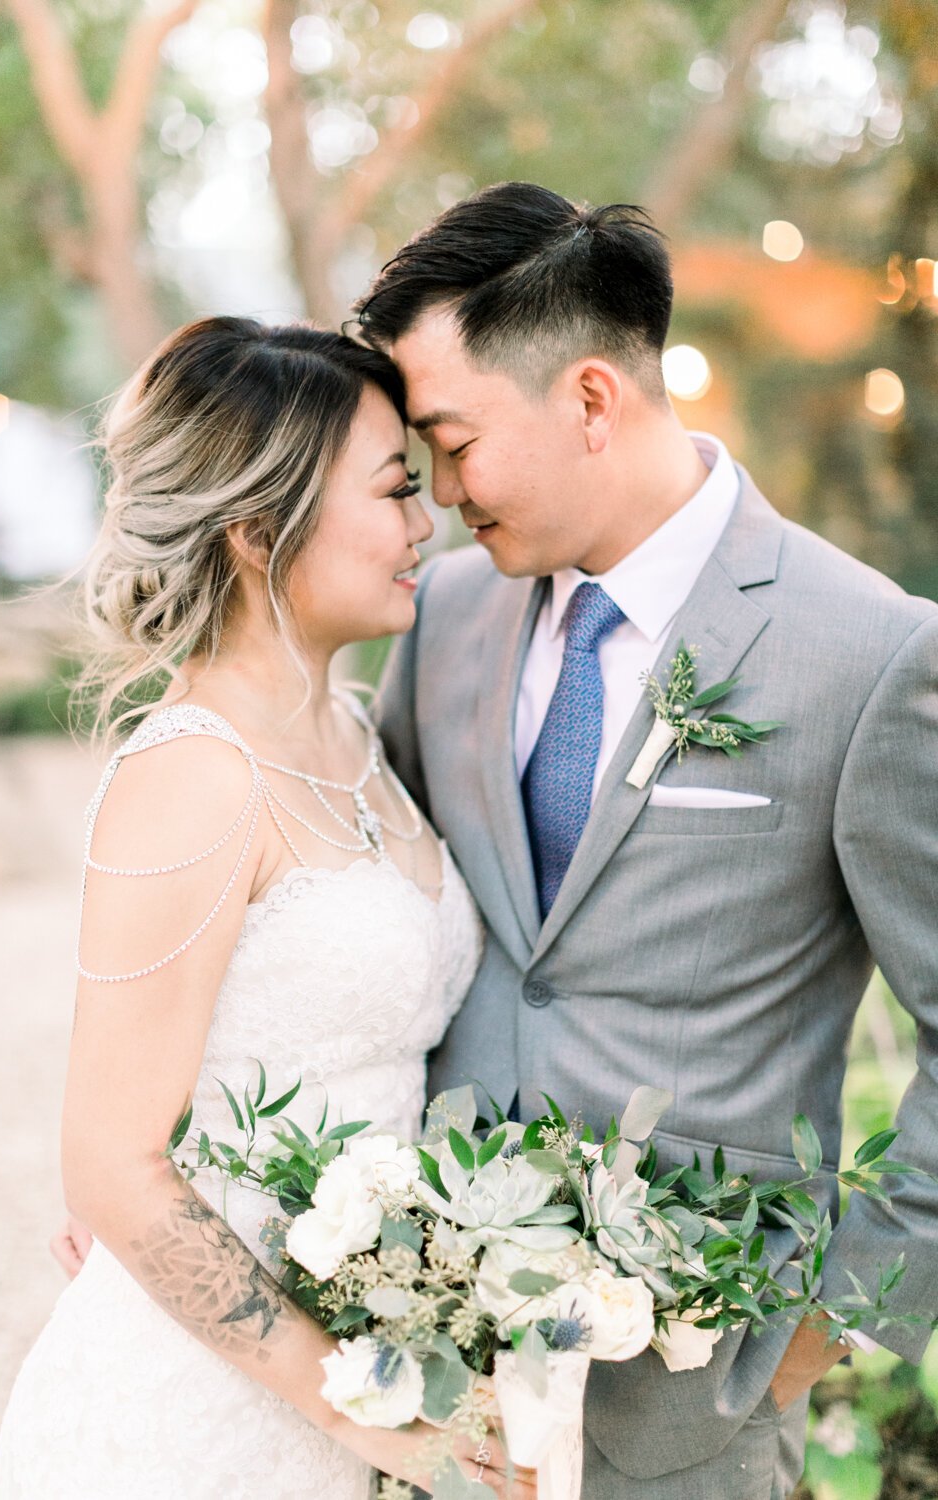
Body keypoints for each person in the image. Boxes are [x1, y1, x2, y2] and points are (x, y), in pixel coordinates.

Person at [355, 182, 938, 1500]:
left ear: (594, 401)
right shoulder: (442, 616)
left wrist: (829, 1332)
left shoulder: (870, 651)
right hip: (425, 1373)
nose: (439, 495)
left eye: (452, 439)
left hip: (693, 1406)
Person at [0, 316, 534, 1499]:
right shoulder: (193, 775)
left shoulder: (352, 730)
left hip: (364, 1364)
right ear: (253, 530)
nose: (422, 522)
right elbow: (113, 1167)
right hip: (205, 1424)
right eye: (393, 491)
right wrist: (368, 1408)